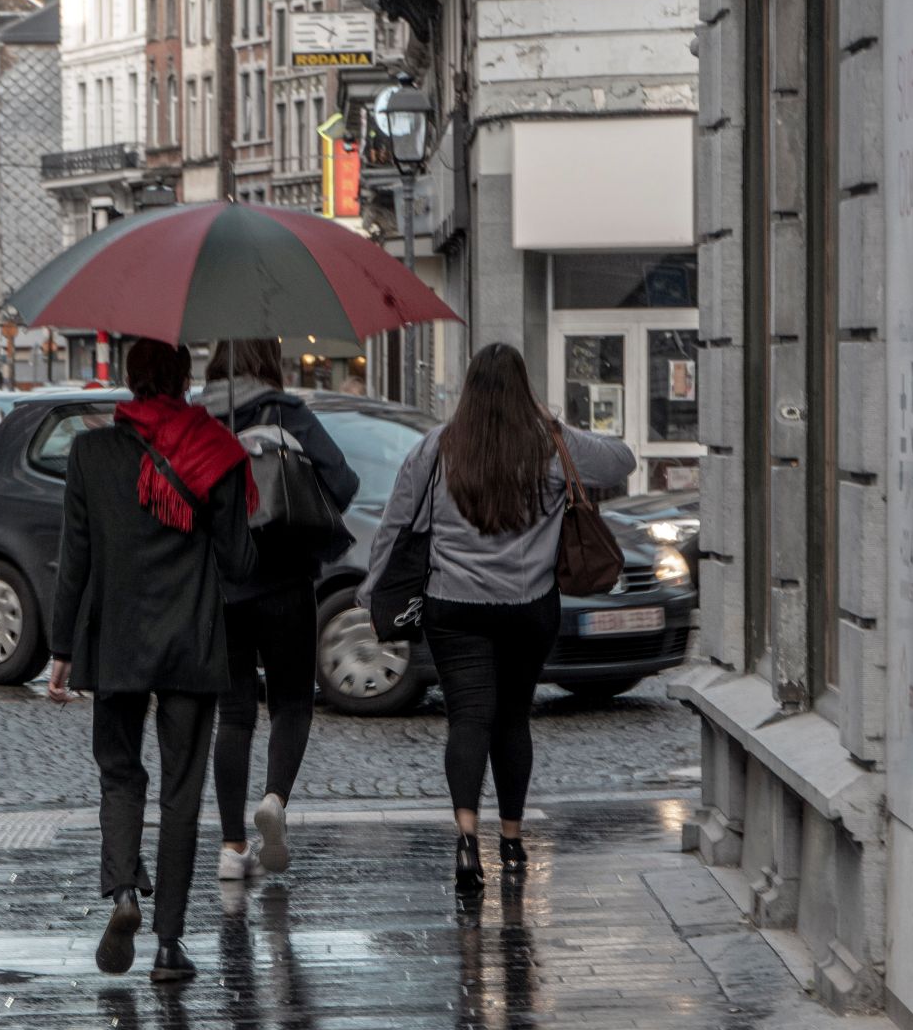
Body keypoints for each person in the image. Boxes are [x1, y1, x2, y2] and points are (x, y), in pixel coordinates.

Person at [361, 343, 634, 896]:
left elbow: (395, 524)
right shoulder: (551, 446)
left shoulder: (436, 448)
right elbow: (621, 460)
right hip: (529, 608)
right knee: (512, 719)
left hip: (453, 608)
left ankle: (466, 839)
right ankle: (510, 840)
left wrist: (373, 592)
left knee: (468, 720)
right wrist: (554, 421)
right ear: (522, 391)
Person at [49, 338, 257, 982]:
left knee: (118, 773)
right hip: (192, 643)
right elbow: (240, 564)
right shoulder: (217, 452)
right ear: (185, 380)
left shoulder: (90, 452)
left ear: (131, 382)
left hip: (116, 645)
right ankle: (169, 945)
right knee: (182, 794)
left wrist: (60, 649)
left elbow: (75, 559)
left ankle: (123, 895)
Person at [198, 338, 359, 880]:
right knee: (292, 704)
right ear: (269, 363)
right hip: (286, 580)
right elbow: (344, 482)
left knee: (235, 715)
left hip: (221, 587)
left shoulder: (197, 419)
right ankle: (273, 800)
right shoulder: (285, 412)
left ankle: (231, 848)